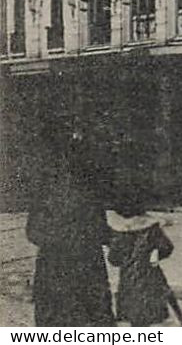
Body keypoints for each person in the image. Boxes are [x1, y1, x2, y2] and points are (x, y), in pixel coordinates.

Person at [26, 134, 113, 326]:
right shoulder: (90, 193)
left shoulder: (46, 192)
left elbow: (32, 232)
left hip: (54, 270)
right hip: (87, 268)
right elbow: (103, 232)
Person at [106, 198, 176, 327]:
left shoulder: (120, 232)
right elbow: (167, 247)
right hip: (149, 276)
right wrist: (155, 253)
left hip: (128, 280)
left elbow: (114, 259)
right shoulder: (151, 228)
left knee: (134, 318)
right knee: (148, 315)